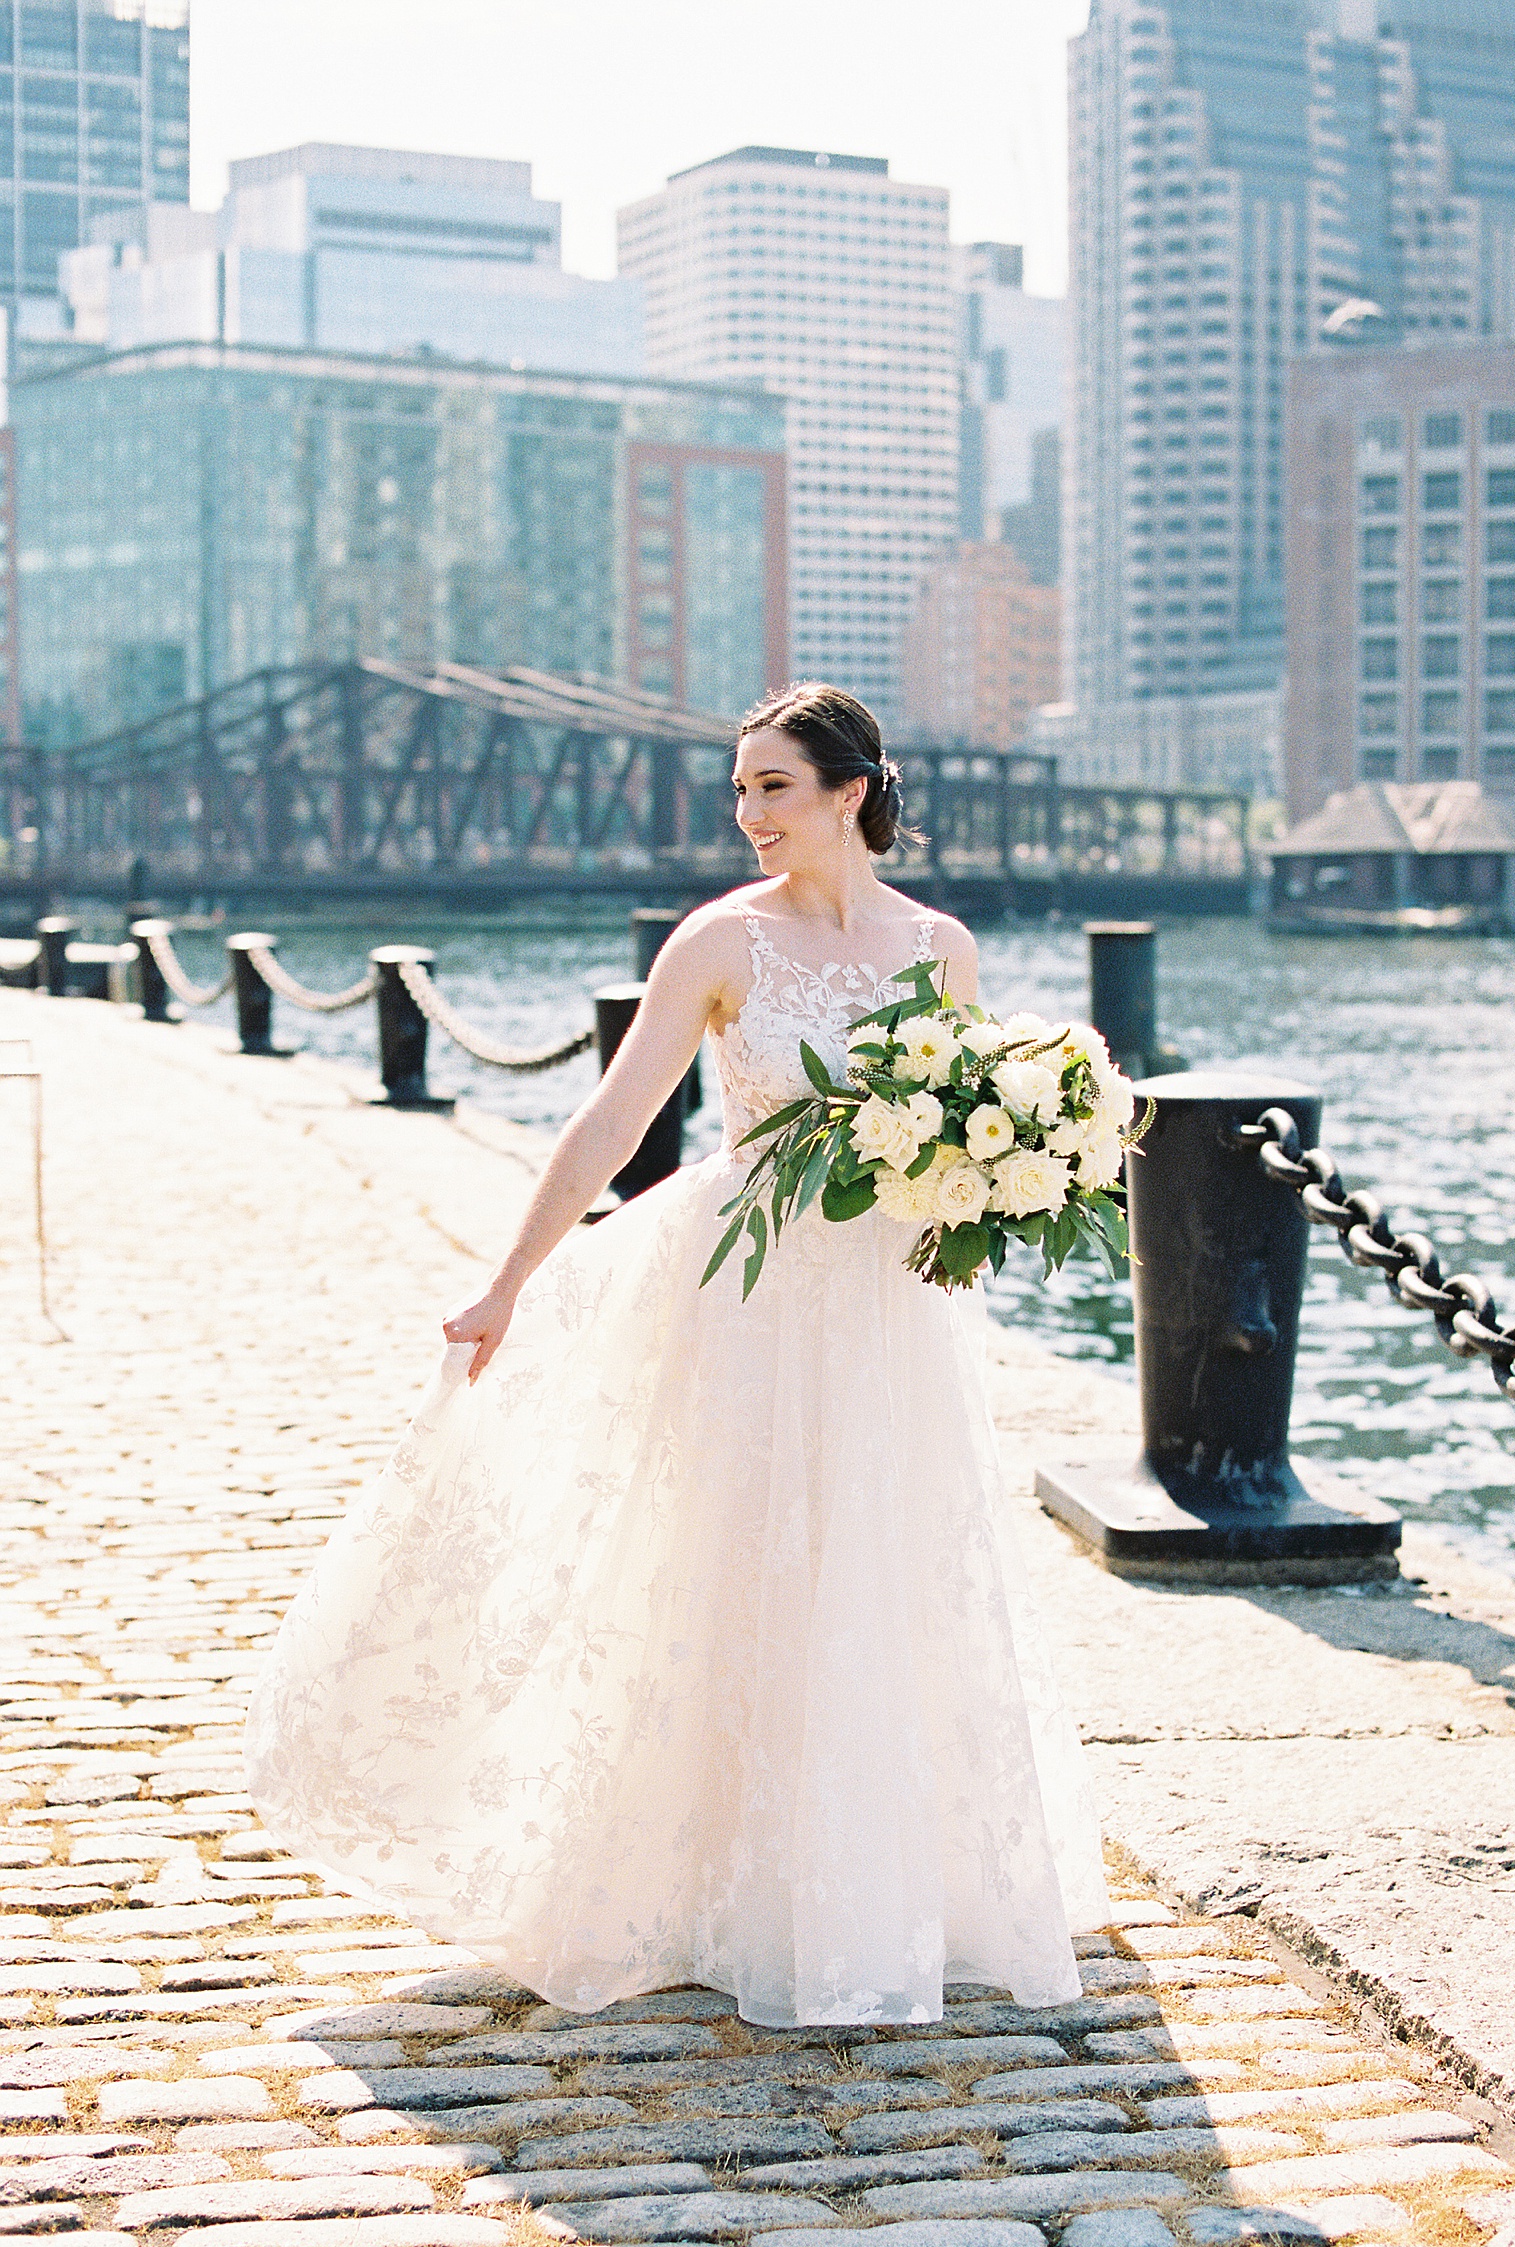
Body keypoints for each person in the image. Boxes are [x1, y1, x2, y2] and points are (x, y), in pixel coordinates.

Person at [245, 682, 1107, 2028]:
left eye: (772, 786)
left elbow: (951, 1124)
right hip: (746, 1288)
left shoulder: (940, 949)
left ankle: (876, 1886)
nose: (748, 813)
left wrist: (988, 1183)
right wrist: (505, 1283)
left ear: (852, 791)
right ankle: (707, 1881)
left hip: (884, 1302)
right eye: (740, 790)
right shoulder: (720, 944)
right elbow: (609, 1121)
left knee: (877, 1566)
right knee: (722, 1563)